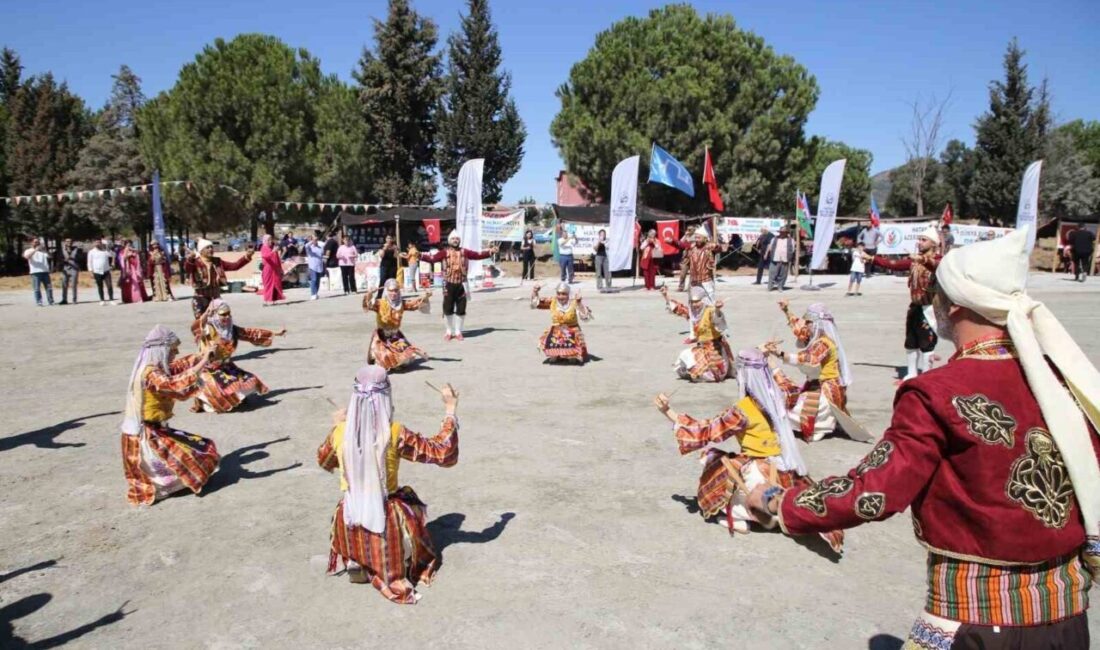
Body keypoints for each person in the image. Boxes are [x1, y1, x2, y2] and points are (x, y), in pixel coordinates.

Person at [748, 229, 1100, 648]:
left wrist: (778, 502)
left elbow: (873, 493)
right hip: (1068, 624)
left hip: (977, 622)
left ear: (953, 304)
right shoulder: (1064, 381)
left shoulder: (937, 391)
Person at [653, 349, 843, 551]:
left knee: (713, 461)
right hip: (785, 468)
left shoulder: (742, 410)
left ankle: (738, 515)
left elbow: (706, 431)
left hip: (758, 471)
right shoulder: (780, 396)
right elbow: (791, 388)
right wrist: (772, 362)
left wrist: (668, 412)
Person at [317, 365, 460, 604]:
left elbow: (324, 461)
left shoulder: (340, 432)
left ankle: (357, 559)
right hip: (386, 517)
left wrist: (338, 426)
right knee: (406, 506)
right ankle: (397, 561)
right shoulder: (393, 433)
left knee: (349, 510)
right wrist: (450, 409)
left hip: (349, 516)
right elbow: (442, 452)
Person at [120, 325, 220, 506]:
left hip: (157, 429)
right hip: (146, 435)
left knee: (204, 448)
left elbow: (180, 366)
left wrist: (204, 355)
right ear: (162, 350)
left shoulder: (156, 369)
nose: (176, 353)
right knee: (196, 456)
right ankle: (160, 487)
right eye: (172, 350)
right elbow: (174, 383)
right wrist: (204, 359)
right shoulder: (150, 374)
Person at [765, 301, 856, 443]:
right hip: (818, 384)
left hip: (826, 389)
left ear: (816, 324)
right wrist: (787, 311)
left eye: (808, 322)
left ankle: (820, 427)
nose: (806, 325)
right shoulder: (818, 338)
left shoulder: (824, 343)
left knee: (793, 410)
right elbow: (800, 329)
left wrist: (779, 354)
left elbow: (807, 359)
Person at [189, 299, 286, 413]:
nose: (227, 316)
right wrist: (206, 314)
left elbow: (250, 333)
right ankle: (209, 403)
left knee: (249, 380)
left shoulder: (232, 329)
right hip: (207, 368)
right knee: (217, 388)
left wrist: (274, 333)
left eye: (229, 313)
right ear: (215, 314)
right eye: (223, 314)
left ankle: (236, 399)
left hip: (226, 366)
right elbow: (196, 327)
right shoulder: (208, 328)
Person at [874, 228, 941, 381]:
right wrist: (872, 259)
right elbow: (894, 264)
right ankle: (911, 373)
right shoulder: (915, 260)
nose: (919, 242)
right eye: (919, 239)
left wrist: (922, 260)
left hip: (930, 308)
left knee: (927, 341)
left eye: (923, 240)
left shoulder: (940, 259)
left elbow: (936, 266)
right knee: (911, 341)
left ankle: (926, 375)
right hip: (915, 307)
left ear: (933, 244)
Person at [420, 232, 496, 341]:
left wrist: (490, 252)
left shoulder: (465, 252)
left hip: (462, 284)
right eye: (453, 239)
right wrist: (419, 255)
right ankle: (449, 331)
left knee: (461, 309)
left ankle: (458, 331)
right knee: (448, 308)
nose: (455, 240)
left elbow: (478, 255)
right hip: (448, 284)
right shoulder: (444, 252)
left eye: (457, 238)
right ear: (449, 240)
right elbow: (432, 258)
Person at [660, 285, 734, 383]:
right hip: (702, 348)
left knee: (710, 374)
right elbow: (679, 309)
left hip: (715, 349)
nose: (695, 305)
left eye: (697, 301)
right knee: (685, 356)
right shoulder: (693, 313)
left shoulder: (710, 310)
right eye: (693, 302)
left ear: (703, 300)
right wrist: (665, 295)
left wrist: (717, 310)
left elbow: (717, 320)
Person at [364, 279, 432, 371]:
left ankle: (396, 362)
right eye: (391, 291)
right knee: (383, 358)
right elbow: (368, 305)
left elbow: (415, 304)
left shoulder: (401, 303)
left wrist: (425, 296)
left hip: (396, 336)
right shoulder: (380, 303)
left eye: (396, 290)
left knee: (408, 357)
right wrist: (370, 293)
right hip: (381, 336)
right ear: (386, 291)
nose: (393, 293)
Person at [184, 239, 255, 316]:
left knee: (222, 321)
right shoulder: (195, 262)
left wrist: (247, 256)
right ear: (201, 251)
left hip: (216, 299)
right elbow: (187, 269)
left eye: (211, 247)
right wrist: (190, 259)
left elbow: (235, 266)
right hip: (200, 299)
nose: (210, 249)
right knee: (202, 324)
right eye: (207, 248)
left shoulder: (217, 261)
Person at [530, 282, 592, 363]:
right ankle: (556, 353)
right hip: (556, 330)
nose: (560, 296)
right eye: (558, 294)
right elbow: (536, 304)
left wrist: (579, 303)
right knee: (552, 338)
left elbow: (585, 318)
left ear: (568, 294)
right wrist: (535, 291)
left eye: (563, 294)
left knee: (572, 359)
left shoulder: (574, 302)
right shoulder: (553, 301)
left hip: (572, 329)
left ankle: (571, 354)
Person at [680, 227, 728, 303]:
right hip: (694, 280)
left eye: (699, 237)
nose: (697, 239)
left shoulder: (709, 247)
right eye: (696, 237)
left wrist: (716, 246)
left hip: (706, 280)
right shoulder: (692, 247)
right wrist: (672, 241)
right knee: (693, 302)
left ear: (704, 238)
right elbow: (681, 245)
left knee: (709, 303)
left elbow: (720, 249)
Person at [23, 237, 55, 306]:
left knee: (49, 288)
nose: (37, 243)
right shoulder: (28, 250)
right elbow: (26, 257)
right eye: (35, 242)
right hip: (35, 272)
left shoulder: (42, 251)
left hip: (45, 271)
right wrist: (35, 250)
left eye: (38, 242)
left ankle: (51, 301)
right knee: (37, 288)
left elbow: (50, 256)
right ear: (31, 243)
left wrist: (45, 250)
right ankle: (39, 301)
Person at [765, 226, 795, 291]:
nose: (782, 233)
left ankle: (780, 286)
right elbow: (770, 246)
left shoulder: (791, 240)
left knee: (783, 274)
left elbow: (792, 249)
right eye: (781, 232)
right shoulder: (774, 239)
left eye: (784, 232)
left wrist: (788, 256)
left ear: (786, 233)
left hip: (785, 259)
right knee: (772, 273)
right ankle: (770, 287)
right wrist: (766, 254)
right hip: (775, 258)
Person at [259, 234, 285, 306]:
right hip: (268, 269)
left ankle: (273, 300)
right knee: (268, 284)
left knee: (275, 284)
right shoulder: (264, 247)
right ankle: (267, 300)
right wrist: (273, 251)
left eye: (271, 239)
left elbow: (277, 259)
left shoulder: (273, 248)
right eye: (268, 240)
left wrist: (280, 268)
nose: (270, 241)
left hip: (275, 269)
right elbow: (265, 256)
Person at [87, 239, 115, 304]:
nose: (98, 244)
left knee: (109, 285)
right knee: (100, 286)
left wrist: (107, 248)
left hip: (106, 271)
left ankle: (111, 300)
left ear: (101, 243)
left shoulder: (105, 251)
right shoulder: (91, 252)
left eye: (99, 242)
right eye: (96, 242)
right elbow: (89, 262)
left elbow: (113, 255)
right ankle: (102, 300)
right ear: (94, 243)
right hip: (97, 271)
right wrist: (91, 271)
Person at [57, 238, 84, 305]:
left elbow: (81, 258)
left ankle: (74, 300)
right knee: (64, 285)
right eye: (67, 241)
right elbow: (59, 259)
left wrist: (72, 258)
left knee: (74, 285)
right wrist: (64, 261)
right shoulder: (62, 250)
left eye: (70, 241)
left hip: (74, 269)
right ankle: (64, 299)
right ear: (65, 242)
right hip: (65, 269)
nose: (69, 242)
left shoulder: (77, 250)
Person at [673, 224, 697, 292]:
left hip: (693, 256)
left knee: (693, 273)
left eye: (690, 229)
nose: (688, 231)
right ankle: (681, 287)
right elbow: (680, 242)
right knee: (682, 273)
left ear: (693, 230)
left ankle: (691, 287)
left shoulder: (696, 236)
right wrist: (685, 235)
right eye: (688, 229)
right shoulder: (686, 236)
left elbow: (693, 244)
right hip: (685, 257)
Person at [304, 234, 325, 301]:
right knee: (314, 279)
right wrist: (312, 241)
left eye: (316, 240)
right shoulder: (310, 247)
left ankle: (316, 293)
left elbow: (321, 255)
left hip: (319, 266)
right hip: (312, 266)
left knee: (318, 281)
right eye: (314, 240)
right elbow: (306, 246)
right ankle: (313, 294)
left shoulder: (320, 247)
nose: (316, 241)